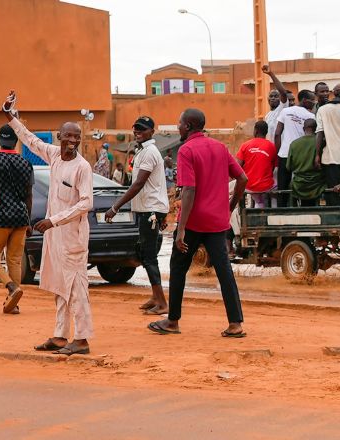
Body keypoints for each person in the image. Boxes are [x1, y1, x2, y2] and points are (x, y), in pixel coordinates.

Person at [3, 90, 94, 356]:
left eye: (77, 137)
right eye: (68, 136)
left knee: (77, 287)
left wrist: (53, 220)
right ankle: (59, 335)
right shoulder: (53, 155)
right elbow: (29, 140)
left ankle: (83, 339)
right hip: (55, 238)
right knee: (59, 286)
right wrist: (11, 116)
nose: (72, 141)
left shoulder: (82, 167)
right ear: (60, 137)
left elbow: (86, 203)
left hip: (72, 238)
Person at [147, 108, 248, 338]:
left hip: (194, 221)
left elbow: (190, 189)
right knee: (224, 271)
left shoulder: (187, 150)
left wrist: (180, 229)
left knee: (178, 267)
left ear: (189, 126)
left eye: (179, 123)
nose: (178, 127)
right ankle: (235, 324)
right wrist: (229, 206)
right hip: (217, 222)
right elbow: (242, 178)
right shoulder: (220, 147)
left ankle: (173, 321)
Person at [105, 116, 170, 315]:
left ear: (152, 131)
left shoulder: (149, 152)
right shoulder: (143, 150)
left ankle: (162, 303)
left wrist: (115, 207)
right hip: (148, 209)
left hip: (150, 210)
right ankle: (155, 296)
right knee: (144, 253)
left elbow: (139, 183)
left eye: (142, 128)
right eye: (136, 128)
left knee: (149, 257)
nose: (137, 131)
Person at [0, 123, 34, 314]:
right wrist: (28, 221)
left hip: (1, 216)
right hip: (21, 217)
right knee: (14, 260)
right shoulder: (26, 163)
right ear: (15, 142)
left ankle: (11, 287)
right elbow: (29, 195)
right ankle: (14, 304)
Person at [275, 89, 316, 206]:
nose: (314, 102)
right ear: (304, 100)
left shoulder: (285, 111)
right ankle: (305, 211)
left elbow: (277, 134)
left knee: (282, 187)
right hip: (302, 156)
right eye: (312, 100)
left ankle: (281, 213)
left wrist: (279, 152)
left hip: (284, 154)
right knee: (303, 185)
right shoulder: (311, 116)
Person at [237, 120, 277, 208]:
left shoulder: (245, 145)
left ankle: (258, 205)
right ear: (266, 132)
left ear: (255, 131)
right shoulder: (272, 146)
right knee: (275, 187)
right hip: (266, 186)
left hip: (248, 186)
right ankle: (275, 209)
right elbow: (273, 168)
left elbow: (237, 167)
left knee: (258, 199)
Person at [286, 118, 325, 206]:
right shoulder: (321, 143)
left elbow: (288, 167)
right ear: (316, 129)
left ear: (304, 129)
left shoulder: (294, 144)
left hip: (298, 184)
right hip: (317, 184)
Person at [261, 64, 289, 143]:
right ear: (268, 99)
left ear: (280, 99)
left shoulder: (282, 108)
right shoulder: (267, 116)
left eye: (276, 96)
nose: (273, 98)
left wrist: (271, 74)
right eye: (271, 96)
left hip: (280, 150)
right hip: (271, 149)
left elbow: (283, 92)